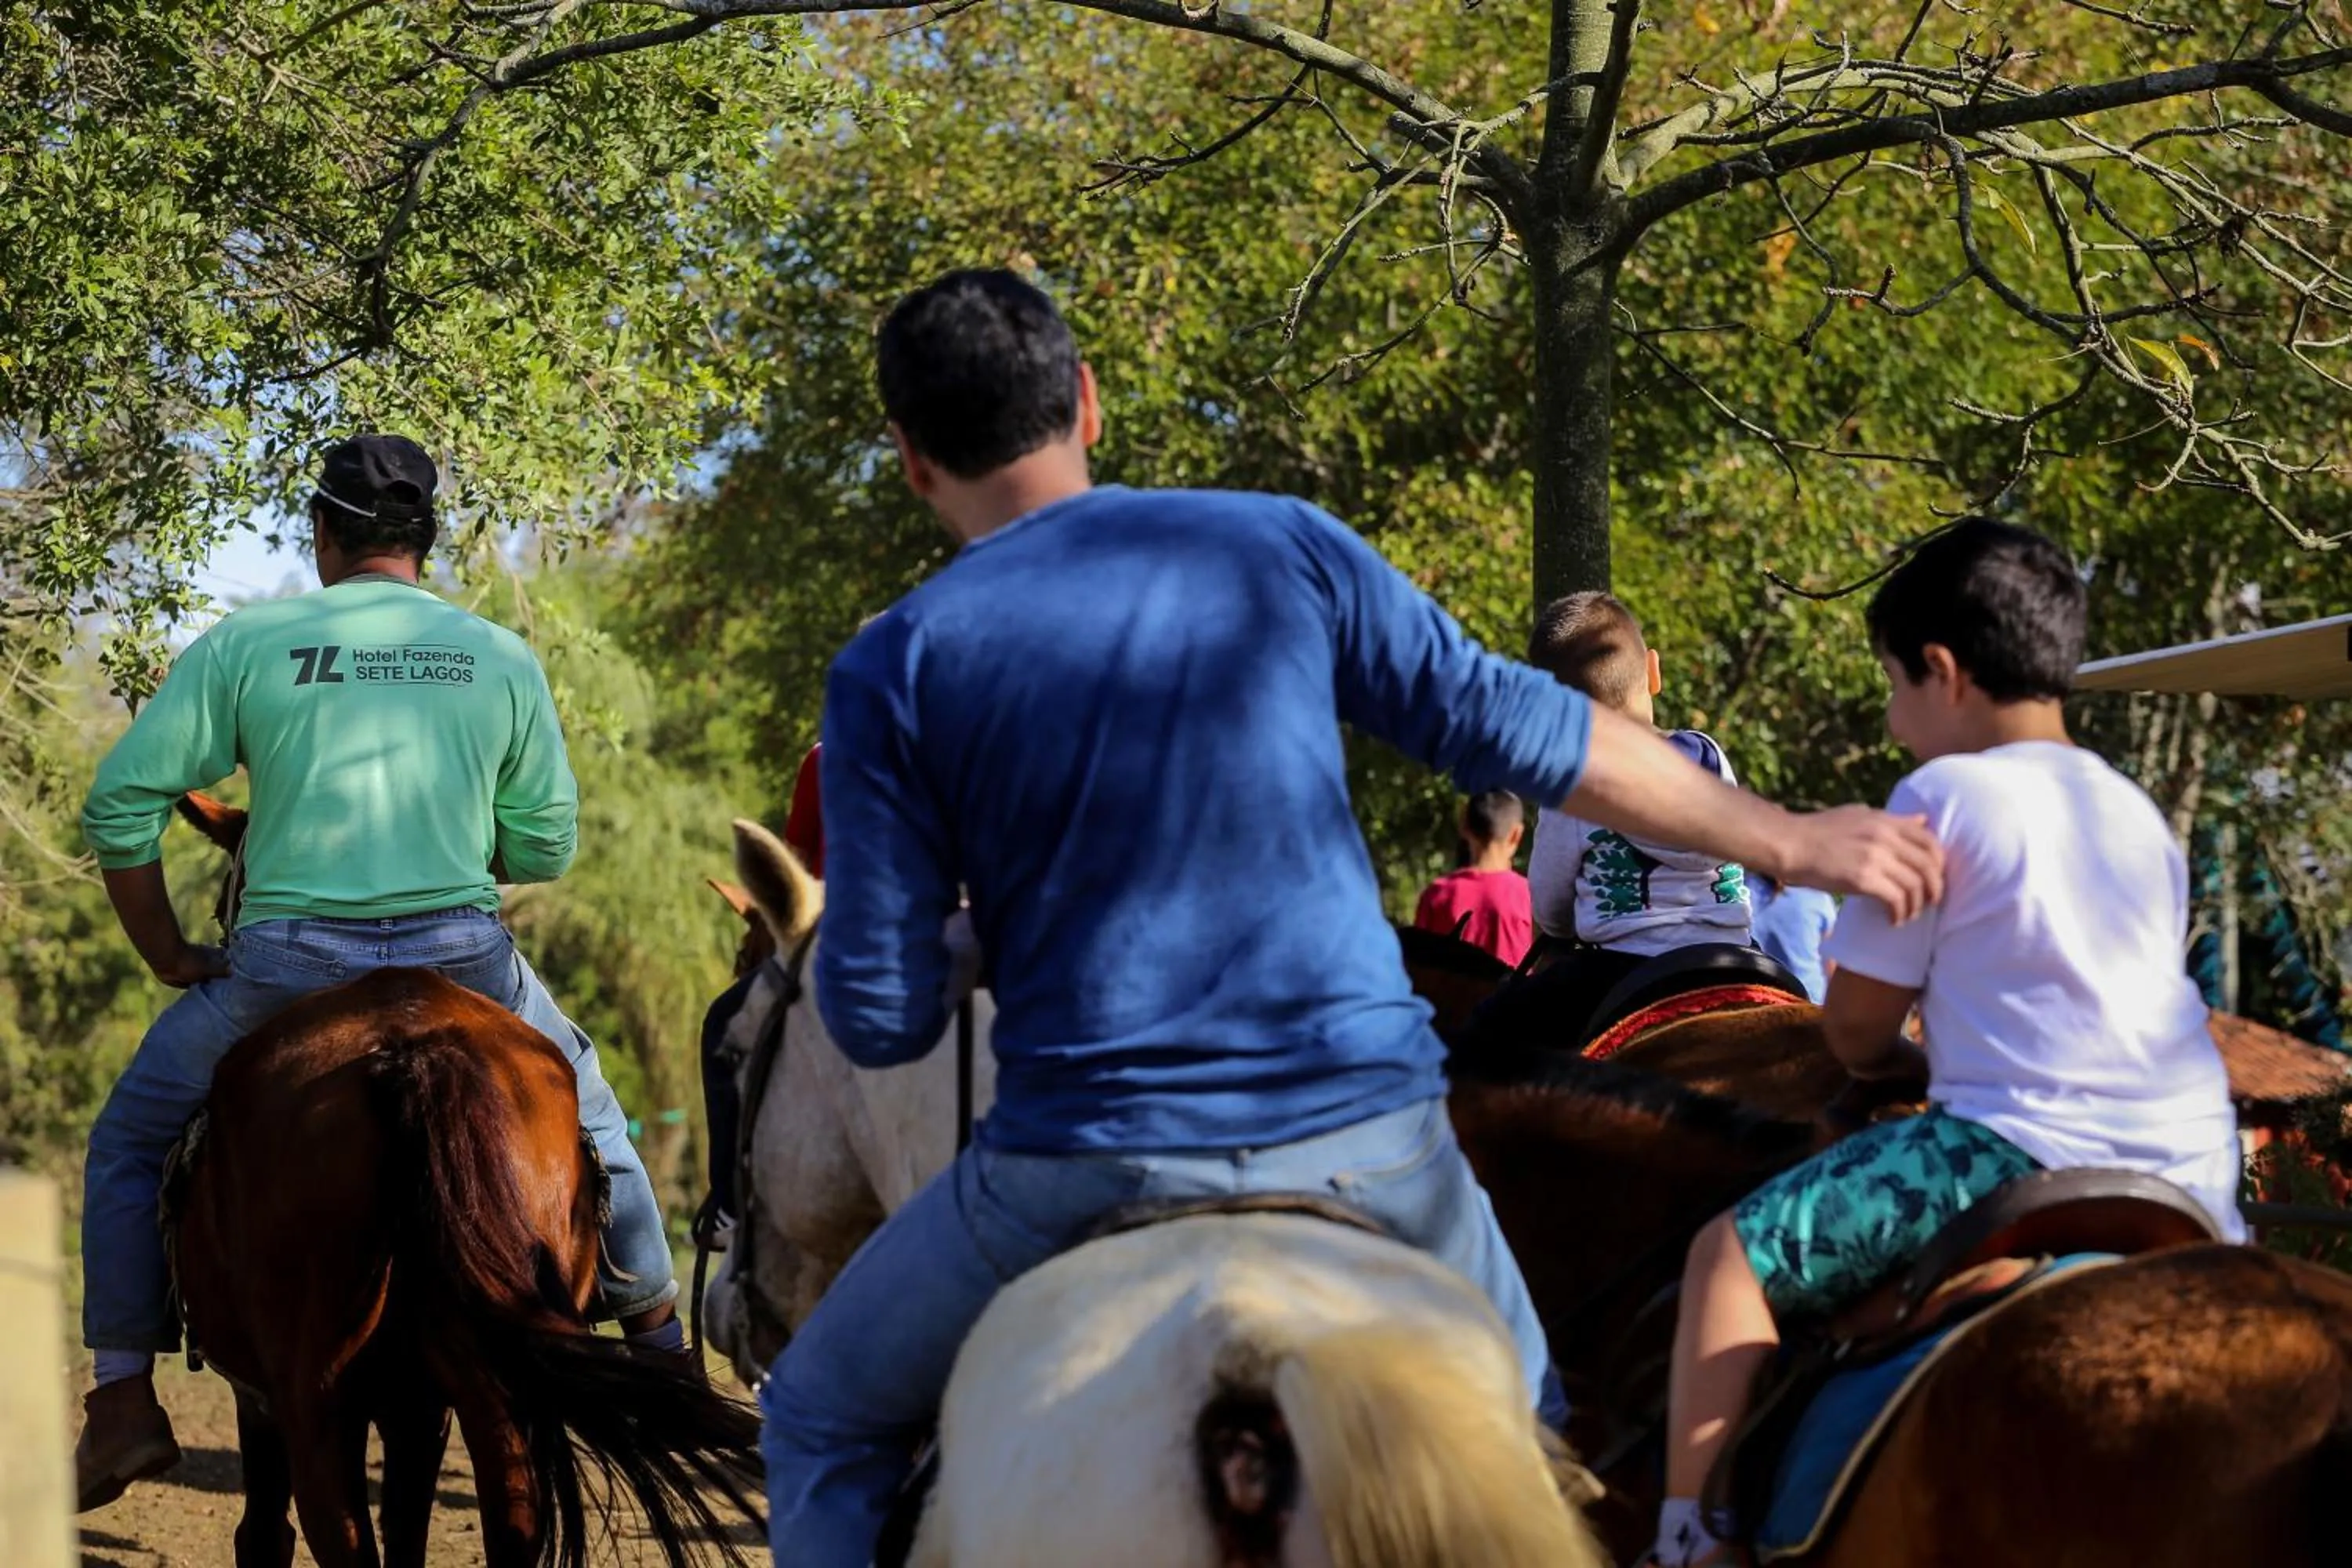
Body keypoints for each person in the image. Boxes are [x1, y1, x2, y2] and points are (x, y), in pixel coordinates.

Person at [760, 268, 1943, 1568]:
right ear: (1088, 404)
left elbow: (877, 1018)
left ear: (910, 460)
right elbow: (1538, 731)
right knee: (1542, 1432)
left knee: (817, 1417)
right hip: (1375, 1140)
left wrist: (976, 941)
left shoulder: (895, 667)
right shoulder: (1277, 548)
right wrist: (1791, 839)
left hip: (1080, 1160)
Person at [72, 435, 682, 1513]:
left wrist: (170, 955)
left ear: (321, 536)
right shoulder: (496, 653)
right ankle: (658, 1345)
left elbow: (120, 802)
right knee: (594, 1116)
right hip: (466, 956)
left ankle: (123, 1401)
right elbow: (544, 849)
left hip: (285, 970)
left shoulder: (250, 643)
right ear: (426, 541)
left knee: (127, 1140)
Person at [1648, 518, 2245, 1566]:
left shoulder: (1939, 798)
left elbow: (1856, 1029)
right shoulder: (2133, 808)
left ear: (1943, 670)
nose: (1893, 723)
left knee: (1729, 1258)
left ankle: (1690, 1538)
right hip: (2197, 1166)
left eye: (1892, 687)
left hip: (2015, 1152)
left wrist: (1893, 1066)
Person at [1481, 592, 1755, 1043]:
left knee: (1487, 1037)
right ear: (1653, 671)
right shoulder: (1709, 753)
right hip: (1733, 952)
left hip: (1621, 968)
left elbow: (1550, 908)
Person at [1414, 790, 1535, 965]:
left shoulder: (1437, 895)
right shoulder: (1528, 894)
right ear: (1516, 834)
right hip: (1515, 992)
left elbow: (1415, 965)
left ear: (1464, 826)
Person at [1748, 873, 1838, 1002]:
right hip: (1810, 1001)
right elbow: (1831, 962)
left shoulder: (1742, 891)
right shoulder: (1817, 895)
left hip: (1759, 997)